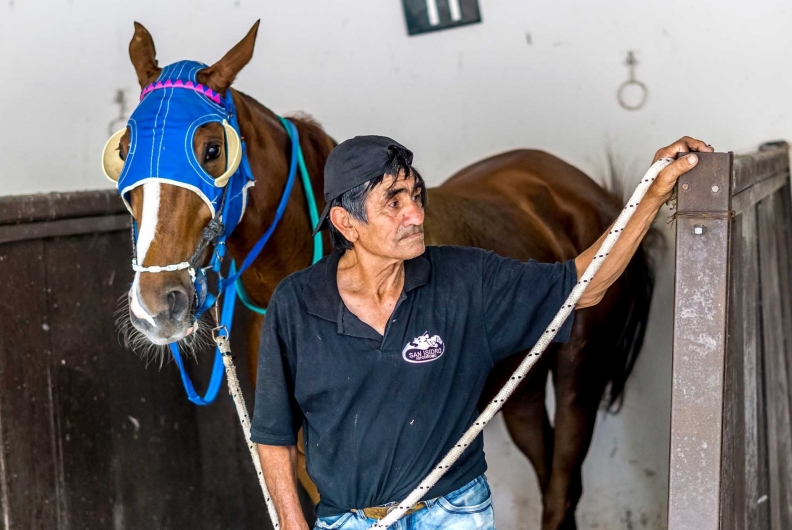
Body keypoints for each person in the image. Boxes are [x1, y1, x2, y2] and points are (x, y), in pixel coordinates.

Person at [250, 135, 711, 529]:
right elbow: (274, 432)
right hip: (345, 519)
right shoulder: (296, 304)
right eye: (393, 201)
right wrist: (293, 521)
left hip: (452, 511)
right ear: (345, 222)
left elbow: (583, 285)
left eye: (416, 195)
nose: (415, 213)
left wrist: (651, 192)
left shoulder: (465, 279)